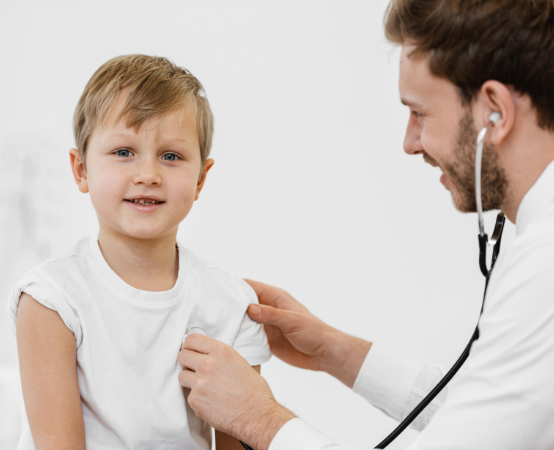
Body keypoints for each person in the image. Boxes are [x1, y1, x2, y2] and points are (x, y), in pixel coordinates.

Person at [177, 0, 554, 448]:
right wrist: (333, 351)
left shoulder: (545, 265)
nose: (410, 142)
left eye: (420, 113)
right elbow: (494, 417)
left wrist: (259, 418)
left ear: (494, 110)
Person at [7, 55, 271, 450]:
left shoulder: (232, 306)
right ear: (81, 170)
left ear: (201, 178)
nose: (148, 174)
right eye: (124, 152)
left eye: (171, 156)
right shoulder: (51, 300)